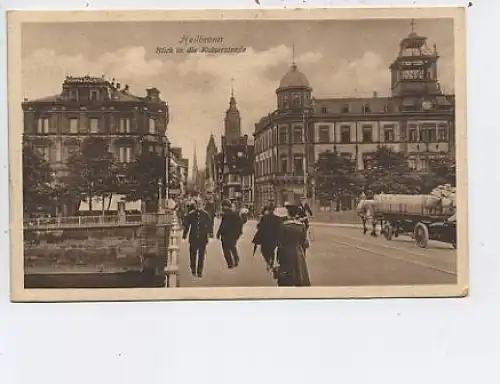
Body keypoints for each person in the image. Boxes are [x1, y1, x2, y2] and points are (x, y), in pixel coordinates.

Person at [273, 204, 311, 287]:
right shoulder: (301, 226)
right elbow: (304, 242)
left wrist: (278, 257)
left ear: (288, 214)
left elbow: (279, 243)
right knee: (299, 274)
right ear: (296, 214)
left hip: (286, 252)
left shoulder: (283, 225)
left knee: (285, 276)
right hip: (298, 252)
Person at [182, 198, 213, 278]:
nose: (199, 206)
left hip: (203, 238)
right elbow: (187, 225)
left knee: (201, 255)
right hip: (193, 238)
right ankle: (193, 269)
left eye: (200, 204)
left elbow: (210, 225)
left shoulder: (205, 214)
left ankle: (199, 271)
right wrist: (184, 235)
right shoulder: (191, 214)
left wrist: (211, 234)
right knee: (192, 255)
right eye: (197, 204)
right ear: (195, 205)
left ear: (202, 205)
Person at [252, 204, 282, 271]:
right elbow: (280, 228)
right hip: (274, 238)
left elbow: (259, 227)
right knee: (272, 250)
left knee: (264, 251)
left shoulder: (264, 217)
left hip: (265, 238)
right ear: (274, 210)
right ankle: (270, 262)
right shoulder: (277, 218)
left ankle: (268, 261)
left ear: (268, 210)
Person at [216, 199, 243, 269]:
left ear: (225, 206)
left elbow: (223, 225)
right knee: (232, 247)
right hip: (231, 235)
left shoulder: (227, 214)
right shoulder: (234, 213)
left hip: (226, 234)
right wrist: (239, 233)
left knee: (226, 250)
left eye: (223, 206)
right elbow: (240, 224)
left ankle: (230, 263)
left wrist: (218, 233)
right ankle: (235, 259)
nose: (223, 208)